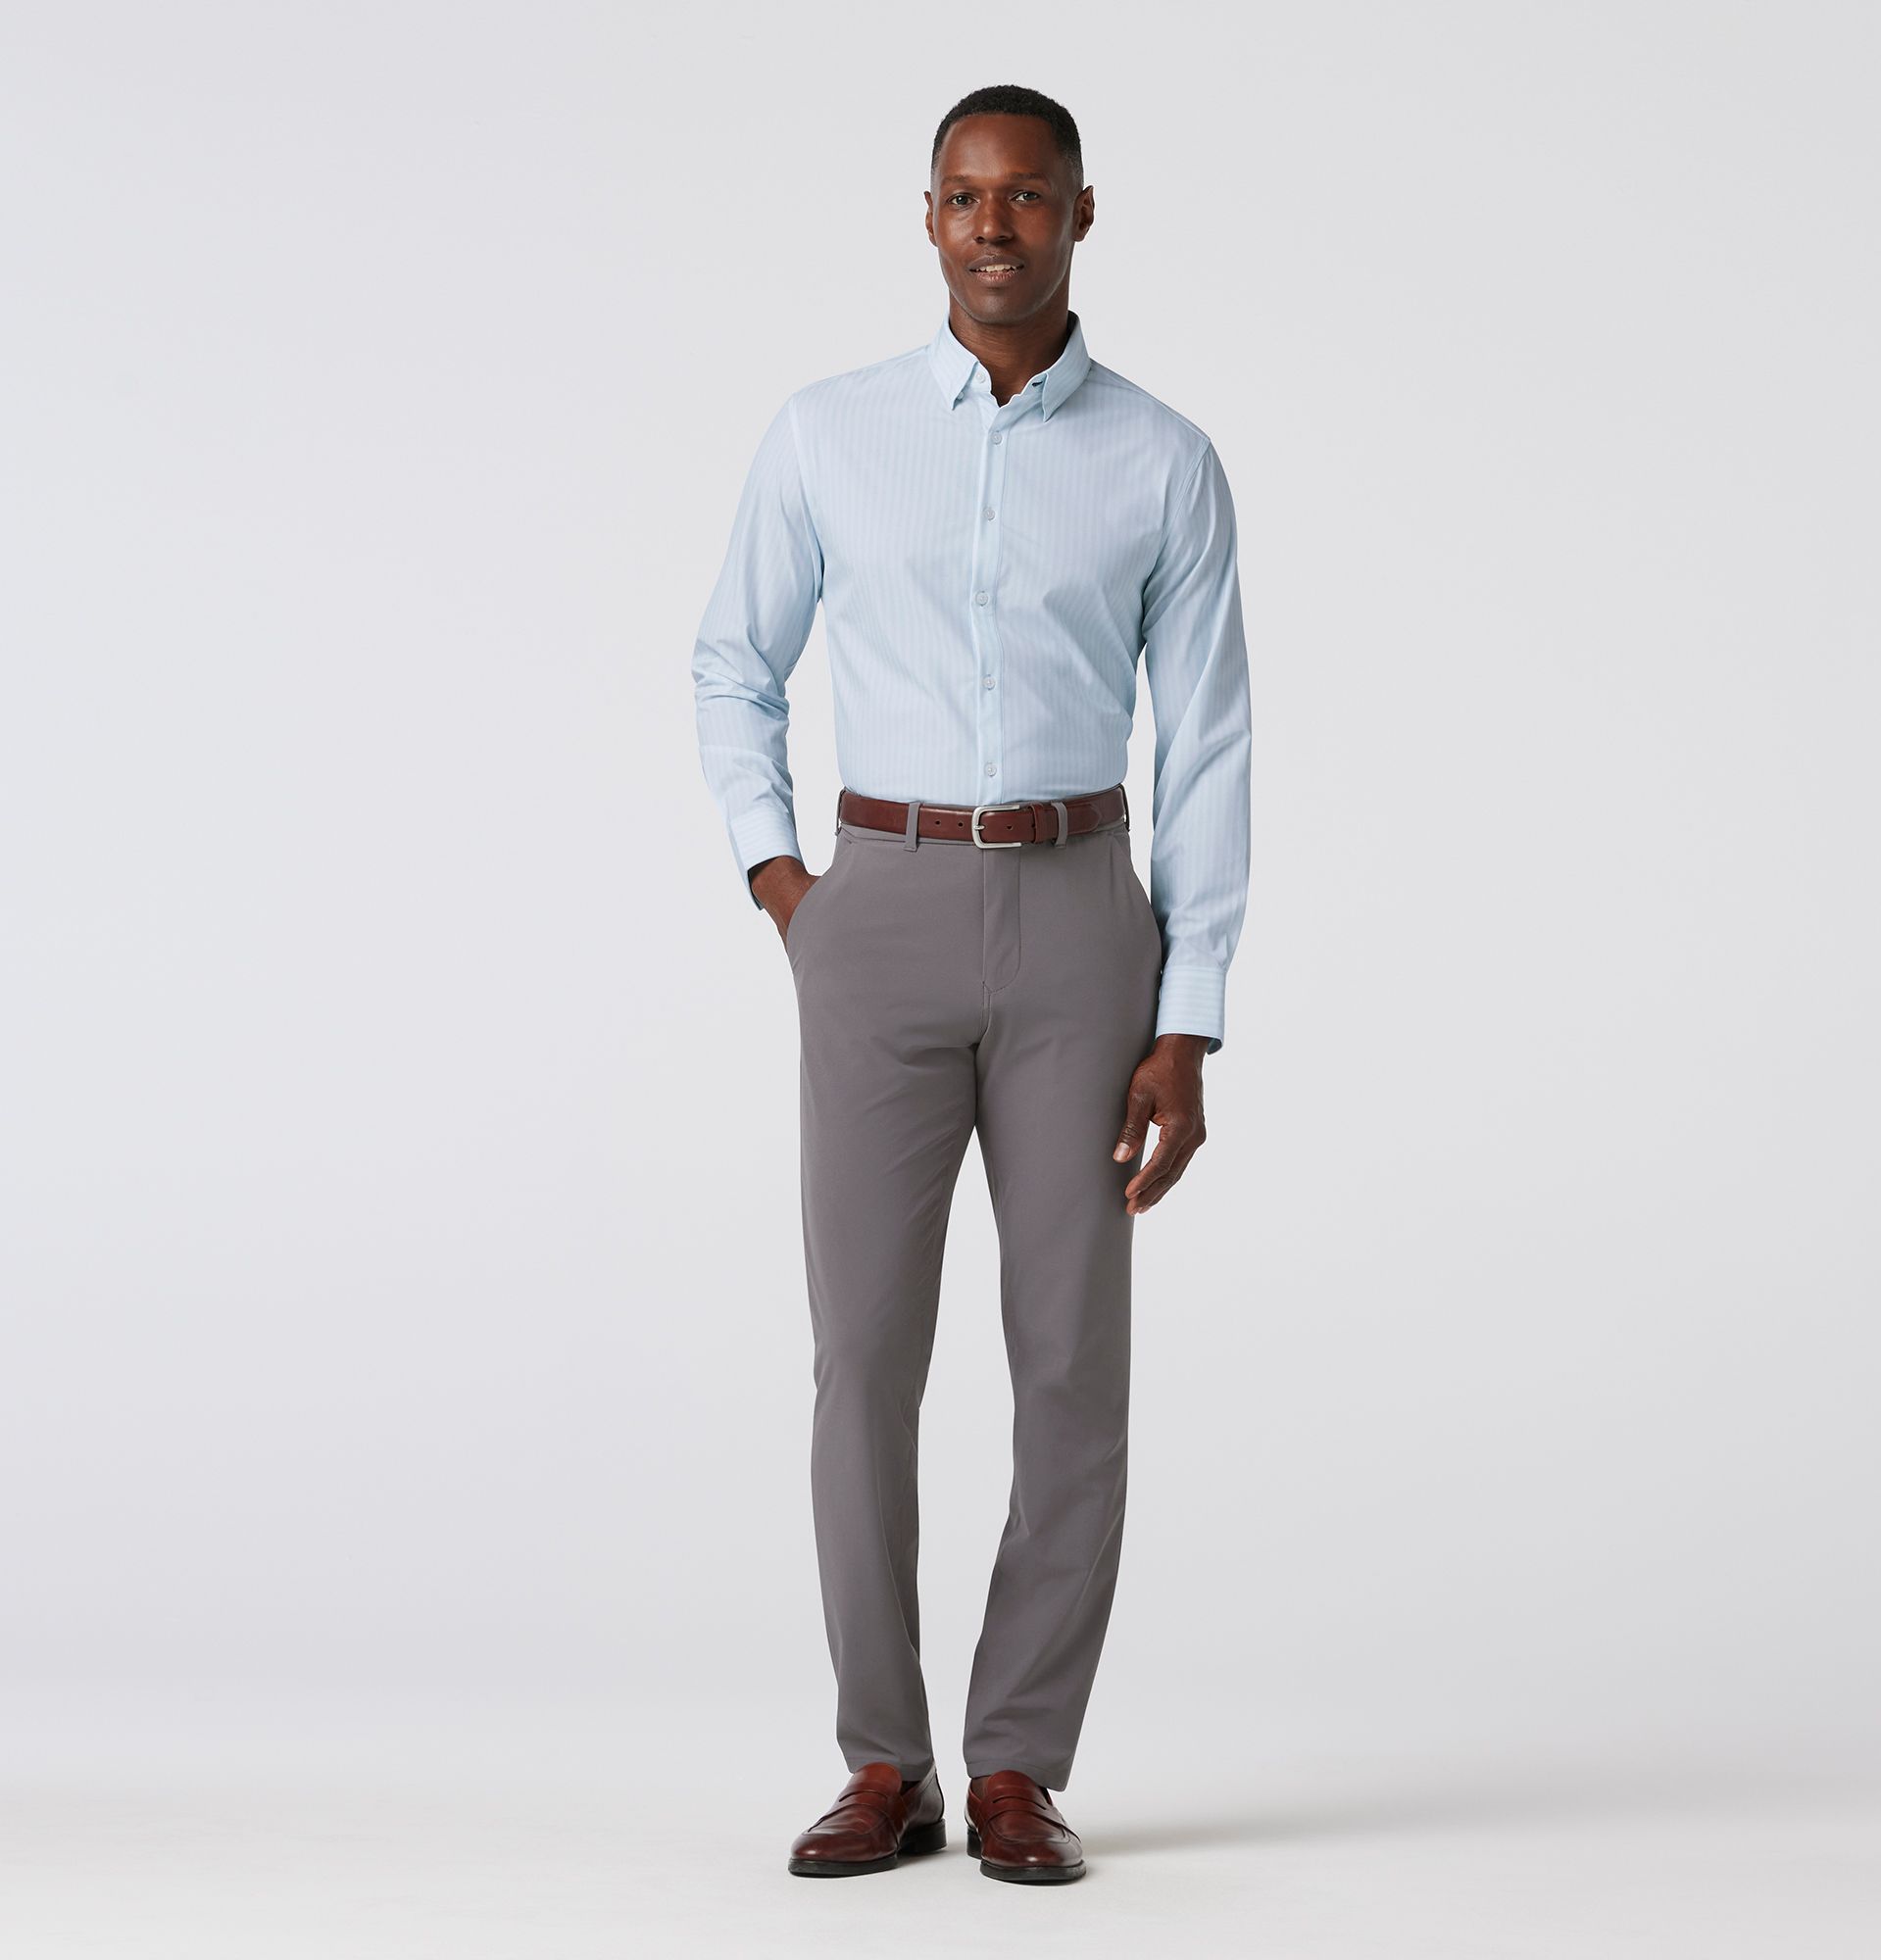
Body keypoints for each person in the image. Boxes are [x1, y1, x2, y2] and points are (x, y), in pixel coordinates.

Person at [690, 81, 1252, 1886]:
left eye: (1025, 196)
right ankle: (884, 1759)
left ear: (1083, 212)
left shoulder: (1163, 460)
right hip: (880, 910)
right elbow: (732, 663)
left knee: (1071, 1360)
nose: (992, 225)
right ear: (927, 218)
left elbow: (1210, 745)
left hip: (1086, 919)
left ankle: (1015, 1763)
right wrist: (787, 885)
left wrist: (1190, 1011)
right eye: (961, 195)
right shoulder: (828, 433)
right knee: (862, 1355)